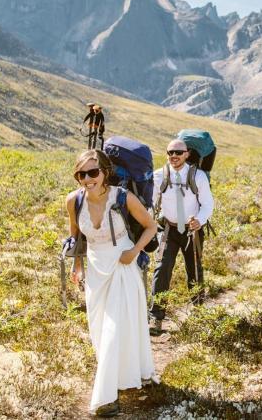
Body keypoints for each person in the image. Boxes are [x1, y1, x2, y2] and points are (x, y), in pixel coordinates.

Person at [66, 149, 157, 417]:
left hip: (122, 266)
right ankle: (123, 375)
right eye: (81, 174)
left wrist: (134, 251)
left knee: (115, 328)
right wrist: (77, 265)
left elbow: (151, 226)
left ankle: (106, 398)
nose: (87, 178)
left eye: (93, 172)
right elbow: (76, 238)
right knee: (98, 330)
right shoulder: (73, 201)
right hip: (95, 271)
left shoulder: (122, 198)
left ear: (105, 172)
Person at [149, 139, 214, 333]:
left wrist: (200, 220)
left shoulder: (198, 176)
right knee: (162, 269)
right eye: (170, 152)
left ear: (187, 154)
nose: (174, 156)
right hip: (168, 229)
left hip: (192, 231)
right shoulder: (159, 176)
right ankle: (156, 317)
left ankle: (199, 312)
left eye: (178, 152)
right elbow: (150, 202)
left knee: (194, 270)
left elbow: (208, 204)